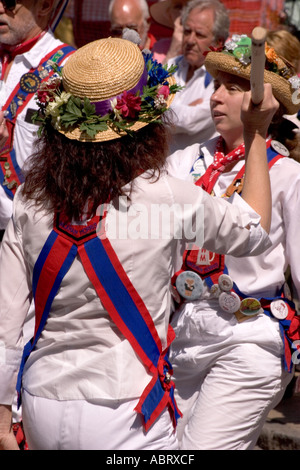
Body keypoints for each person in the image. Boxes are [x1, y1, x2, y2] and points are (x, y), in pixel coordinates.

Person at [0, 33, 278, 450]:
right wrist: (256, 134)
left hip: (41, 400)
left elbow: (5, 324)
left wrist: (3, 417)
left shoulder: (29, 200)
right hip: (124, 408)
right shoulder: (166, 197)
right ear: (144, 125)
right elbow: (253, 232)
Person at [167, 33, 300, 450]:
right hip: (183, 333)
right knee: (161, 451)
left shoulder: (287, 175)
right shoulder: (186, 161)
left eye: (234, 88)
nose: (217, 97)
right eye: (215, 85)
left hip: (249, 335)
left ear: (265, 102)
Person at [0, 0, 75, 239]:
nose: (0, 8)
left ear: (44, 5)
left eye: (10, 2)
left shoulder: (71, 69)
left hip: (32, 231)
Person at [165, 0, 229, 156]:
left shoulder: (220, 78)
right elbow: (145, 104)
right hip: (159, 165)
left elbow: (189, 122)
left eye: (199, 34)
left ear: (218, 42)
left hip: (194, 171)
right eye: (187, 31)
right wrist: (182, 109)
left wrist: (162, 107)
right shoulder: (172, 65)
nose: (190, 40)